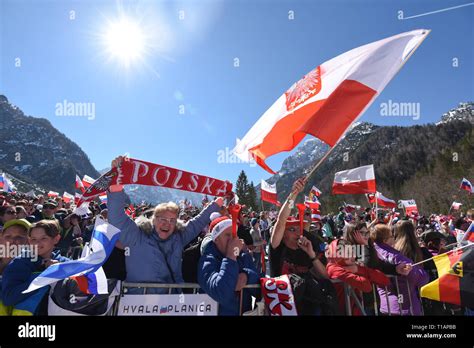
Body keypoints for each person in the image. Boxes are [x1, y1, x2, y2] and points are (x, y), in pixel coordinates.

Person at [107, 155, 223, 294]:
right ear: (154, 220)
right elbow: (116, 217)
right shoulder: (137, 236)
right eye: (163, 219)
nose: (167, 224)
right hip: (138, 304)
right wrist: (116, 183)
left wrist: (218, 203)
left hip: (173, 302)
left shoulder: (179, 237)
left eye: (172, 220)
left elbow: (198, 222)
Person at [1, 220, 69, 315]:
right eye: (33, 239)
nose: (37, 243)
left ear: (56, 239)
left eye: (43, 238)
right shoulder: (19, 263)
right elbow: (8, 298)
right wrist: (45, 276)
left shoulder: (66, 263)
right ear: (29, 240)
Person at [198, 215, 259, 315]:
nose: (232, 240)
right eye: (227, 235)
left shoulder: (243, 256)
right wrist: (231, 256)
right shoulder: (207, 261)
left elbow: (260, 286)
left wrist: (247, 276)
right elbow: (221, 292)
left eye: (234, 235)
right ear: (216, 239)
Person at [269, 178, 328, 279]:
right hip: (283, 293)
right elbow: (281, 221)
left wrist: (312, 255)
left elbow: (326, 276)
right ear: (282, 234)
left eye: (299, 228)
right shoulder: (277, 247)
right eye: (291, 229)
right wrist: (294, 192)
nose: (298, 233)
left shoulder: (311, 244)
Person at [372, 223, 429, 315]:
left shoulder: (373, 253)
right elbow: (420, 277)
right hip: (404, 305)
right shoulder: (394, 256)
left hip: (386, 304)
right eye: (391, 236)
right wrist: (423, 273)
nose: (394, 238)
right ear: (385, 240)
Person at [326, 238, 390, 315]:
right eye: (348, 253)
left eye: (352, 251)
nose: (353, 256)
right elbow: (366, 286)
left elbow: (384, 280)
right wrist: (359, 270)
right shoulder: (333, 269)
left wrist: (358, 269)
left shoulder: (353, 266)